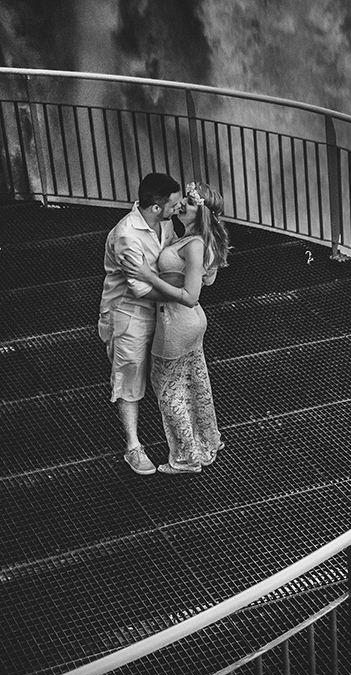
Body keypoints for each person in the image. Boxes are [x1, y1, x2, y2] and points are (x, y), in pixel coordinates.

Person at [122, 181, 228, 474]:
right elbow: (208, 280)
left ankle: (186, 458)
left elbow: (191, 295)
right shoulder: (200, 241)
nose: (181, 205)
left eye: (189, 204)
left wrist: (147, 275)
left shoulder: (193, 245)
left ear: (200, 213)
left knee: (168, 390)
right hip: (192, 323)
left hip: (176, 323)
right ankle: (207, 442)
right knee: (197, 384)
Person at [99, 173, 183, 475]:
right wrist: (183, 296)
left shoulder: (165, 222)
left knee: (163, 368)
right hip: (128, 313)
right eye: (174, 204)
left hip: (159, 309)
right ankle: (133, 446)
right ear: (157, 207)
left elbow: (170, 256)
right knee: (130, 372)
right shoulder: (126, 236)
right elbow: (140, 288)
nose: (179, 207)